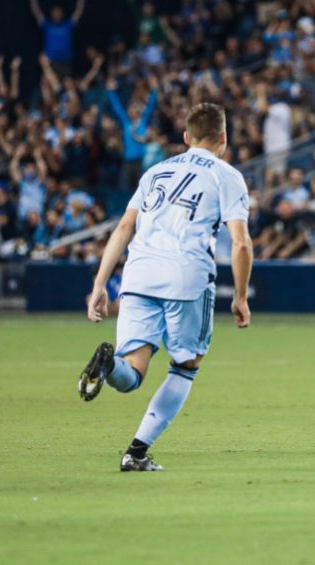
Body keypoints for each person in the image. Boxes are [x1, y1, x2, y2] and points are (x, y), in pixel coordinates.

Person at [77, 103, 253, 471]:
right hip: (187, 277)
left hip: (138, 275)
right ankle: (136, 453)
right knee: (186, 365)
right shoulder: (228, 176)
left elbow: (124, 227)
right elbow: (240, 243)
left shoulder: (156, 171)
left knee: (131, 373)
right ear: (223, 138)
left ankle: (110, 366)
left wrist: (99, 283)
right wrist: (239, 296)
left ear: (186, 138)